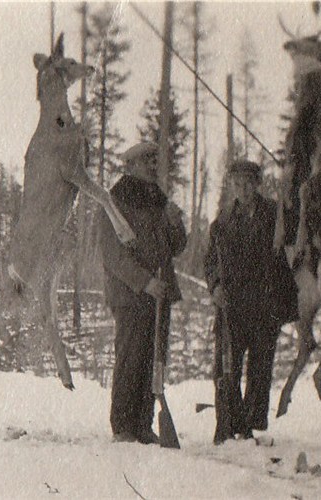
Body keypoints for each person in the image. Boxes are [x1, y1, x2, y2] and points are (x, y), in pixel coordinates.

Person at [97, 142, 187, 444]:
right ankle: (123, 426)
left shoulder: (158, 201)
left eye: (154, 160)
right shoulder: (115, 201)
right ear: (130, 166)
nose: (153, 165)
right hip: (131, 294)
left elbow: (175, 247)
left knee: (154, 359)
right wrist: (144, 282)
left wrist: (177, 224)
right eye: (146, 161)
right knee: (131, 357)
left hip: (159, 293)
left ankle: (144, 423)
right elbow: (112, 254)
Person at [204, 160, 298, 445]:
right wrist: (215, 286)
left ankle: (250, 425)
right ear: (231, 186)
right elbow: (210, 262)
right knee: (224, 368)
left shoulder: (274, 214)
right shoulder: (222, 220)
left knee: (259, 369)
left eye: (247, 183)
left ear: (257, 184)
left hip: (264, 305)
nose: (242, 189)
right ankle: (227, 425)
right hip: (231, 307)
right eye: (236, 184)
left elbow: (291, 243)